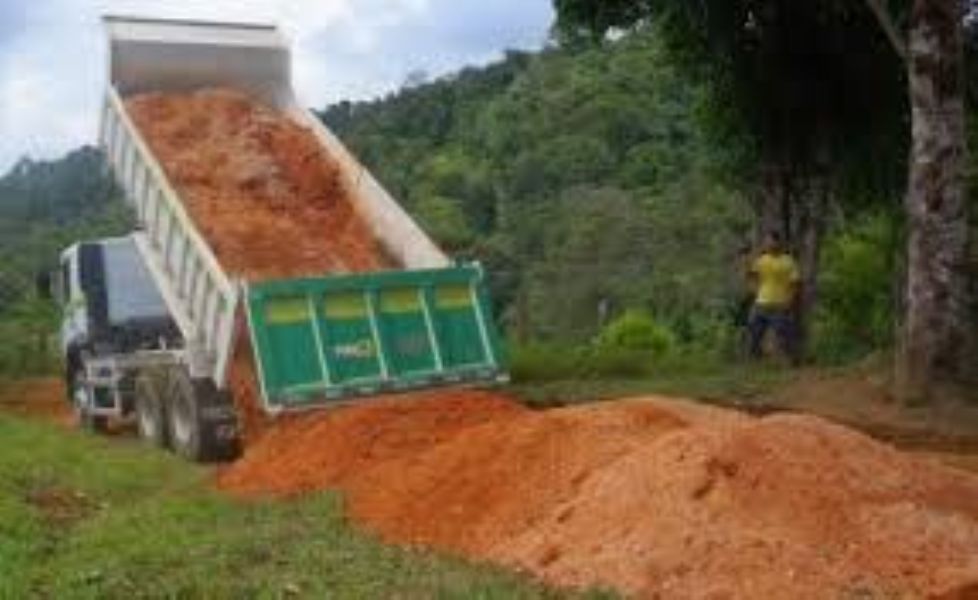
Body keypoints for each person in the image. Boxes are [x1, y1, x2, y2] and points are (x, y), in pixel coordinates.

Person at [747, 232, 801, 364]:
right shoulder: (761, 260)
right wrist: (754, 291)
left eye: (771, 241)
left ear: (778, 242)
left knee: (783, 333)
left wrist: (790, 300)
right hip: (761, 302)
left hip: (779, 303)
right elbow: (751, 275)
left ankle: (791, 360)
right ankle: (756, 358)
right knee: (754, 329)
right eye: (766, 242)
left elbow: (795, 283)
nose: (768, 244)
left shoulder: (787, 260)